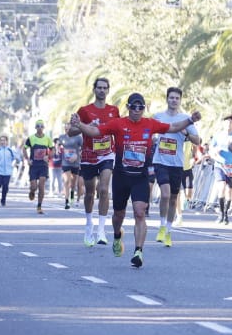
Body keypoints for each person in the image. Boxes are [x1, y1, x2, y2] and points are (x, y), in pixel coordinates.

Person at [72, 93, 200, 268]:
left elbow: (173, 127)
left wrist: (190, 121)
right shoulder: (118, 123)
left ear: (144, 108)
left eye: (141, 107)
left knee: (140, 212)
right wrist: (79, 124)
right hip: (121, 176)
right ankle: (117, 235)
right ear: (128, 107)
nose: (137, 110)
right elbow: (95, 132)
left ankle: (138, 251)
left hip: (140, 177)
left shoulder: (150, 123)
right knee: (118, 215)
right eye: (134, 106)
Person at [70, 76, 118, 246]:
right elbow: (71, 132)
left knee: (104, 189)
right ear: (94, 89)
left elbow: (117, 131)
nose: (102, 90)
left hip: (107, 154)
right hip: (89, 156)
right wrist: (76, 125)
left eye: (105, 88)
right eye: (99, 87)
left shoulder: (114, 111)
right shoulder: (84, 110)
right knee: (89, 193)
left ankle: (101, 230)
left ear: (108, 90)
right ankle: (89, 224)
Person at [152, 85, 201, 247]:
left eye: (177, 98)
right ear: (167, 99)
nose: (174, 100)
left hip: (177, 163)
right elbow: (148, 133)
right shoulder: (158, 116)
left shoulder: (185, 119)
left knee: (173, 198)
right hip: (161, 161)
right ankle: (160, 226)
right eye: (171, 97)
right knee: (165, 194)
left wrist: (186, 133)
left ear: (180, 101)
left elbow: (197, 140)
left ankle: (168, 231)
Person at [24, 121, 54, 213]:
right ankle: (32, 191)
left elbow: (52, 150)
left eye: (41, 126)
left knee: (41, 186)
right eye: (38, 126)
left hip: (43, 166)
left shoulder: (48, 138)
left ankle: (39, 206)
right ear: (35, 128)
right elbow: (24, 148)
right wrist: (27, 159)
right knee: (34, 186)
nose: (40, 128)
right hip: (34, 166)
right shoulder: (31, 138)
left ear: (43, 128)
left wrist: (48, 156)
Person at [0, 134, 18, 205]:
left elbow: (15, 157)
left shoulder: (10, 150)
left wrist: (14, 162)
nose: (2, 142)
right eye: (1, 140)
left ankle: (3, 200)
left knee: (5, 186)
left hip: (8, 172)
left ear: (7, 141)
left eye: (4, 140)